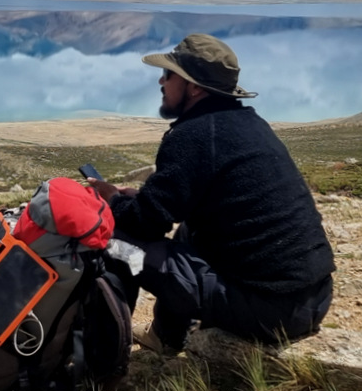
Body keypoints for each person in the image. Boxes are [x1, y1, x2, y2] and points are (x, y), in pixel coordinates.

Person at [88, 34, 335, 354]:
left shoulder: (193, 135)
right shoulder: (248, 123)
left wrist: (112, 200)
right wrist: (138, 199)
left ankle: (106, 354)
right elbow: (186, 203)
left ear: (194, 87)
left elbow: (145, 224)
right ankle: (166, 336)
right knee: (191, 230)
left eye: (169, 75)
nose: (161, 81)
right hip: (314, 297)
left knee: (113, 241)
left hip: (271, 311)